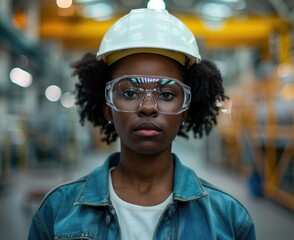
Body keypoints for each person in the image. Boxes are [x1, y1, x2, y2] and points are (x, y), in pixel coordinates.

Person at [28, 8, 255, 240]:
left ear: (185, 110)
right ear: (108, 107)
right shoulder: (56, 212)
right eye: (129, 92)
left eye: (166, 94)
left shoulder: (229, 219)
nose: (148, 107)